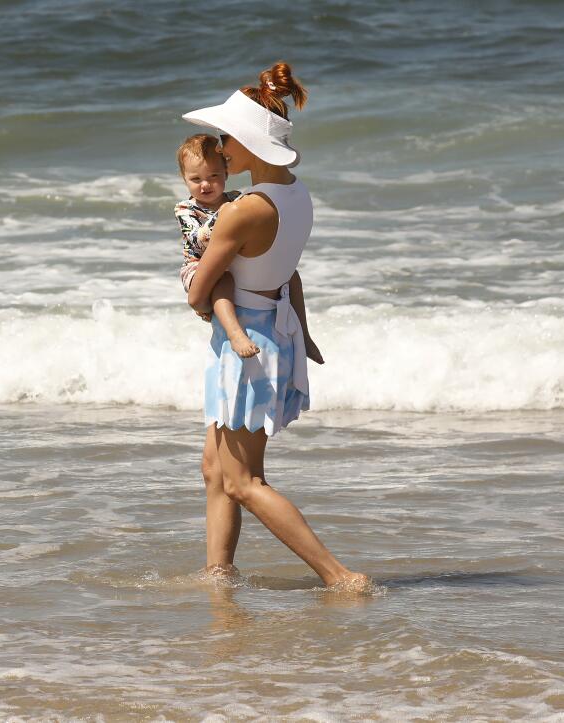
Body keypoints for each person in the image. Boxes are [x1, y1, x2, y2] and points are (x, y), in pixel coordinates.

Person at [182, 62, 372, 592]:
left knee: (243, 481)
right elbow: (291, 272)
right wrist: (305, 334)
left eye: (227, 140)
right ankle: (218, 576)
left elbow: (200, 292)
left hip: (248, 341)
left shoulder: (245, 210)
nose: (220, 150)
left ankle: (340, 576)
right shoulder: (297, 194)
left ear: (247, 145)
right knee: (215, 471)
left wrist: (196, 285)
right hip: (272, 331)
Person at [175, 134, 256, 357]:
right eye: (195, 179)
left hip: (226, 262)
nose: (205, 184)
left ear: (226, 173)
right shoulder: (185, 209)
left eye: (213, 175)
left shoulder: (236, 199)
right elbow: (197, 240)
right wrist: (225, 214)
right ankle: (235, 334)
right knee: (224, 279)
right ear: (184, 179)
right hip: (197, 267)